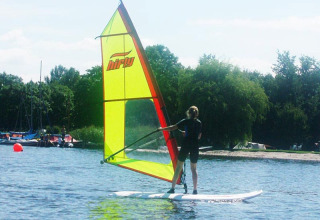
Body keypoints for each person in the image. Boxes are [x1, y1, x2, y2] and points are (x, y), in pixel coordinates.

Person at [158, 106, 202, 195]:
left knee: (178, 167)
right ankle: (195, 190)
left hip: (186, 145)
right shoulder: (199, 123)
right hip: (195, 146)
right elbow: (198, 136)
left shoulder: (185, 121)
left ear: (189, 113)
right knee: (194, 169)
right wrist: (186, 133)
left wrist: (162, 129)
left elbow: (172, 127)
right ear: (196, 114)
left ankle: (172, 189)